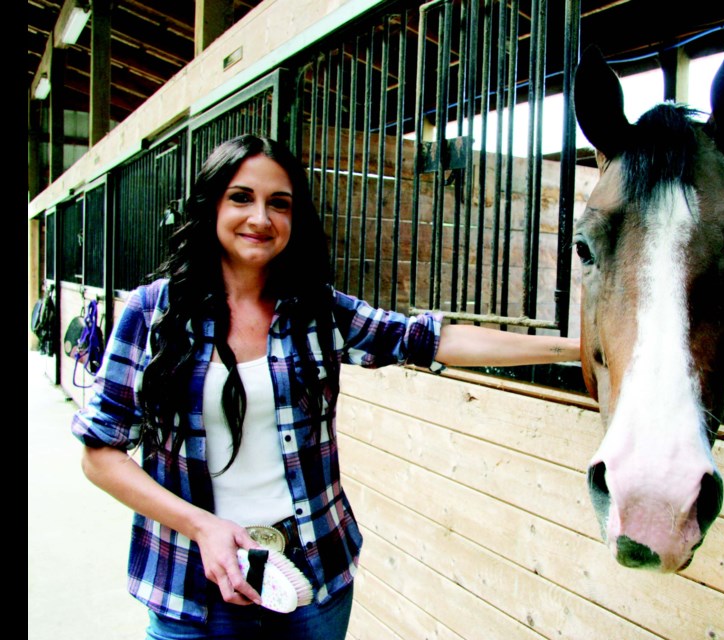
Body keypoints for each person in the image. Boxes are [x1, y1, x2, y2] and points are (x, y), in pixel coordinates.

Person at [71, 134, 580, 639]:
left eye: (280, 203)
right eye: (241, 197)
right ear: (211, 205)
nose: (261, 218)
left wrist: (581, 349)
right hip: (194, 585)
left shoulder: (316, 310)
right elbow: (99, 454)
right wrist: (200, 526)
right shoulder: (152, 313)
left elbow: (428, 340)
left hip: (313, 577)